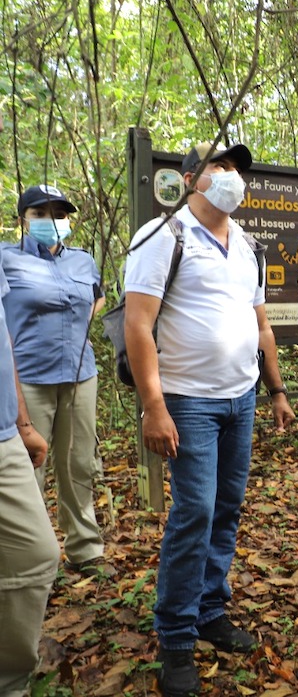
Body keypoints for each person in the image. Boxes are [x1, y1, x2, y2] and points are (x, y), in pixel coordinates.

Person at [124, 141, 295, 697]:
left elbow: (261, 326)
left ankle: (208, 609)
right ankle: (175, 638)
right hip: (187, 400)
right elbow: (137, 326)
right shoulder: (162, 237)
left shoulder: (248, 246)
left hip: (240, 397)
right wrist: (154, 407)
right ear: (192, 177)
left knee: (226, 505)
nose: (231, 177)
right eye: (220, 166)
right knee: (194, 510)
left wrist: (275, 390)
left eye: (237, 169)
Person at [1, 185, 107, 575]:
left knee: (78, 463)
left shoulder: (82, 261)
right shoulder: (5, 259)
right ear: (22, 220)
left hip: (81, 376)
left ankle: (85, 549)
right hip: (28, 380)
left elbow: (97, 297)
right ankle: (29, 558)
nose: (52, 221)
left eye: (59, 213)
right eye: (40, 213)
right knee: (29, 469)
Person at [0, 248, 61, 697]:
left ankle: (11, 682)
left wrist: (21, 423)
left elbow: (3, 343)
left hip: (3, 434)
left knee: (37, 555)